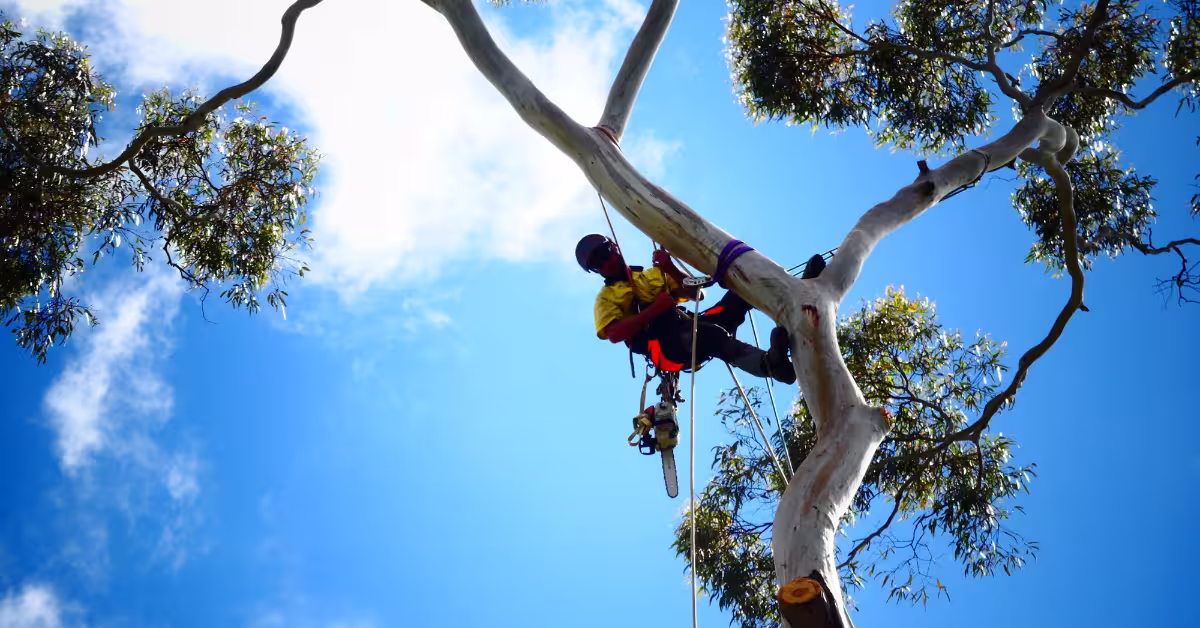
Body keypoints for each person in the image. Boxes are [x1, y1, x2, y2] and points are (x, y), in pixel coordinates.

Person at [576, 234, 827, 384]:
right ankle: (770, 365)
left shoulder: (651, 275)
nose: (606, 264)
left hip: (694, 324)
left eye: (605, 254)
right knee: (711, 336)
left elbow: (697, 294)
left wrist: (669, 267)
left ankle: (797, 295)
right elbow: (614, 334)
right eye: (597, 264)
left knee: (741, 292)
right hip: (667, 348)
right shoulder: (606, 298)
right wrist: (654, 310)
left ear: (615, 248)